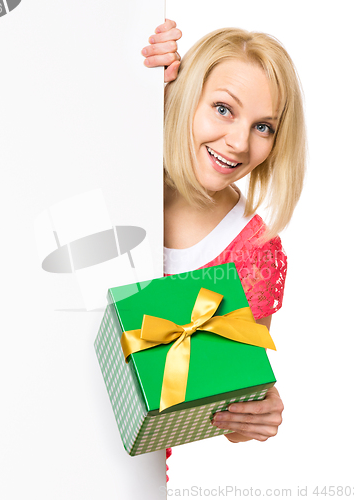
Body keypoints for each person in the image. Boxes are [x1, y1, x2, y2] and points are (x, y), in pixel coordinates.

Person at [141, 18, 306, 473]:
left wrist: (252, 416)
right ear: (186, 95)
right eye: (223, 108)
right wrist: (134, 74)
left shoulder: (255, 253)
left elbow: (221, 398)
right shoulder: (124, 154)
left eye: (264, 127)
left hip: (130, 473)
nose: (237, 143)